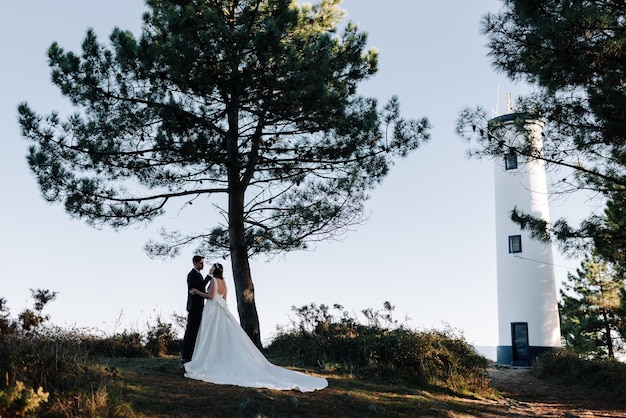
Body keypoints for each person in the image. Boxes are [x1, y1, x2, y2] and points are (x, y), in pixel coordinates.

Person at [184, 263, 328, 392]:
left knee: (210, 334)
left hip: (212, 310)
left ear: (214, 270)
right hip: (221, 309)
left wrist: (197, 292)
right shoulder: (225, 283)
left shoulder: (214, 280)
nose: (209, 268)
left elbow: (211, 296)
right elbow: (225, 299)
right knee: (221, 334)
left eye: (211, 267)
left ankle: (208, 358)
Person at [181, 255, 212, 365]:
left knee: (195, 332)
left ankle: (192, 355)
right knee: (190, 331)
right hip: (194, 307)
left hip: (199, 307)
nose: (202, 265)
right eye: (201, 263)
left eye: (203, 263)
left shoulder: (198, 274)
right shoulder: (192, 274)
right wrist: (209, 276)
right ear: (194, 263)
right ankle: (185, 356)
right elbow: (200, 286)